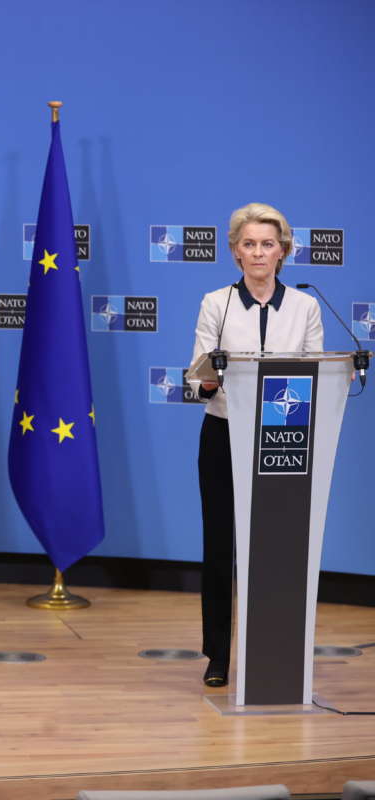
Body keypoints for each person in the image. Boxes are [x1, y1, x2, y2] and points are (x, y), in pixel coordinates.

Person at [188, 202, 322, 688]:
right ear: (235, 253)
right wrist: (207, 379)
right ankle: (218, 656)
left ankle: (275, 653)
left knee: (278, 549)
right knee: (221, 546)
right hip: (224, 433)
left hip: (282, 440)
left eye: (268, 244)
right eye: (249, 244)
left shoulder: (305, 306)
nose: (259, 252)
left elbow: (316, 376)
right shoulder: (215, 303)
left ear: (283, 252)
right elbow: (197, 374)